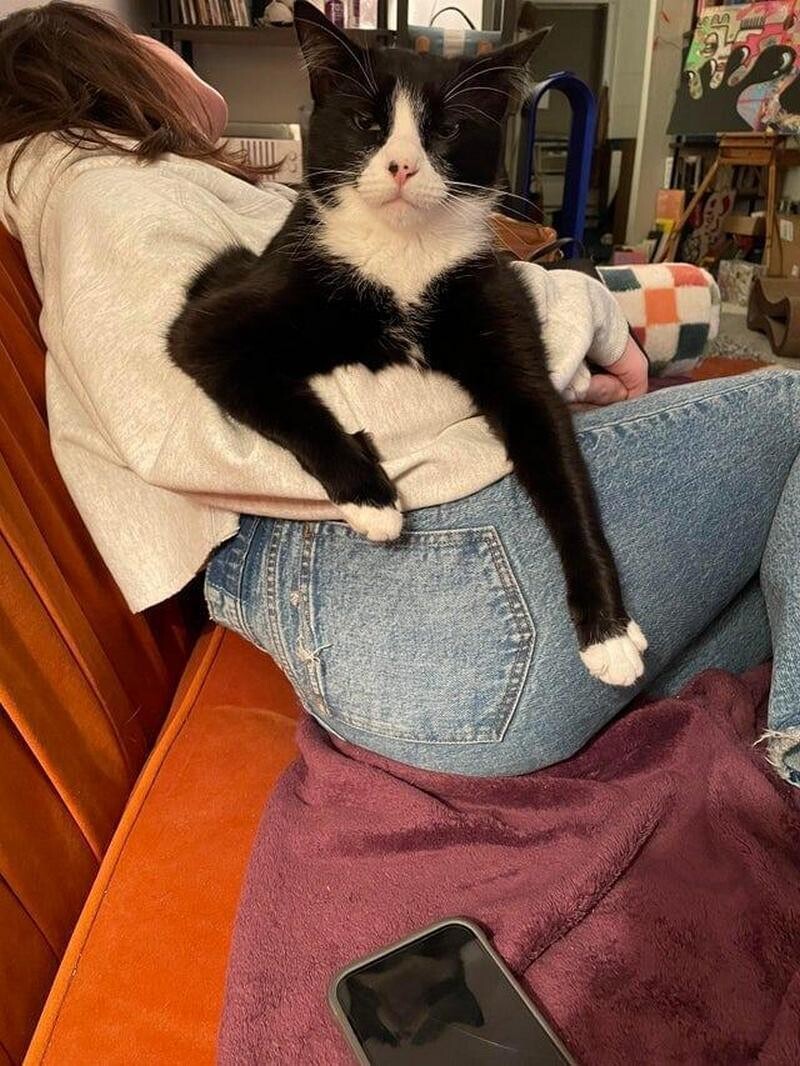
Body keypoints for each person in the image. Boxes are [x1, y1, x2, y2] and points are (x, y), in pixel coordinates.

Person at [1, 2, 798, 784]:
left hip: (415, 567)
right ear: (109, 70)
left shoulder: (176, 178)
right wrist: (559, 328)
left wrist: (558, 321)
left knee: (768, 587)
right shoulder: (102, 187)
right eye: (136, 38)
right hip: (383, 583)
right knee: (787, 407)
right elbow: (195, 418)